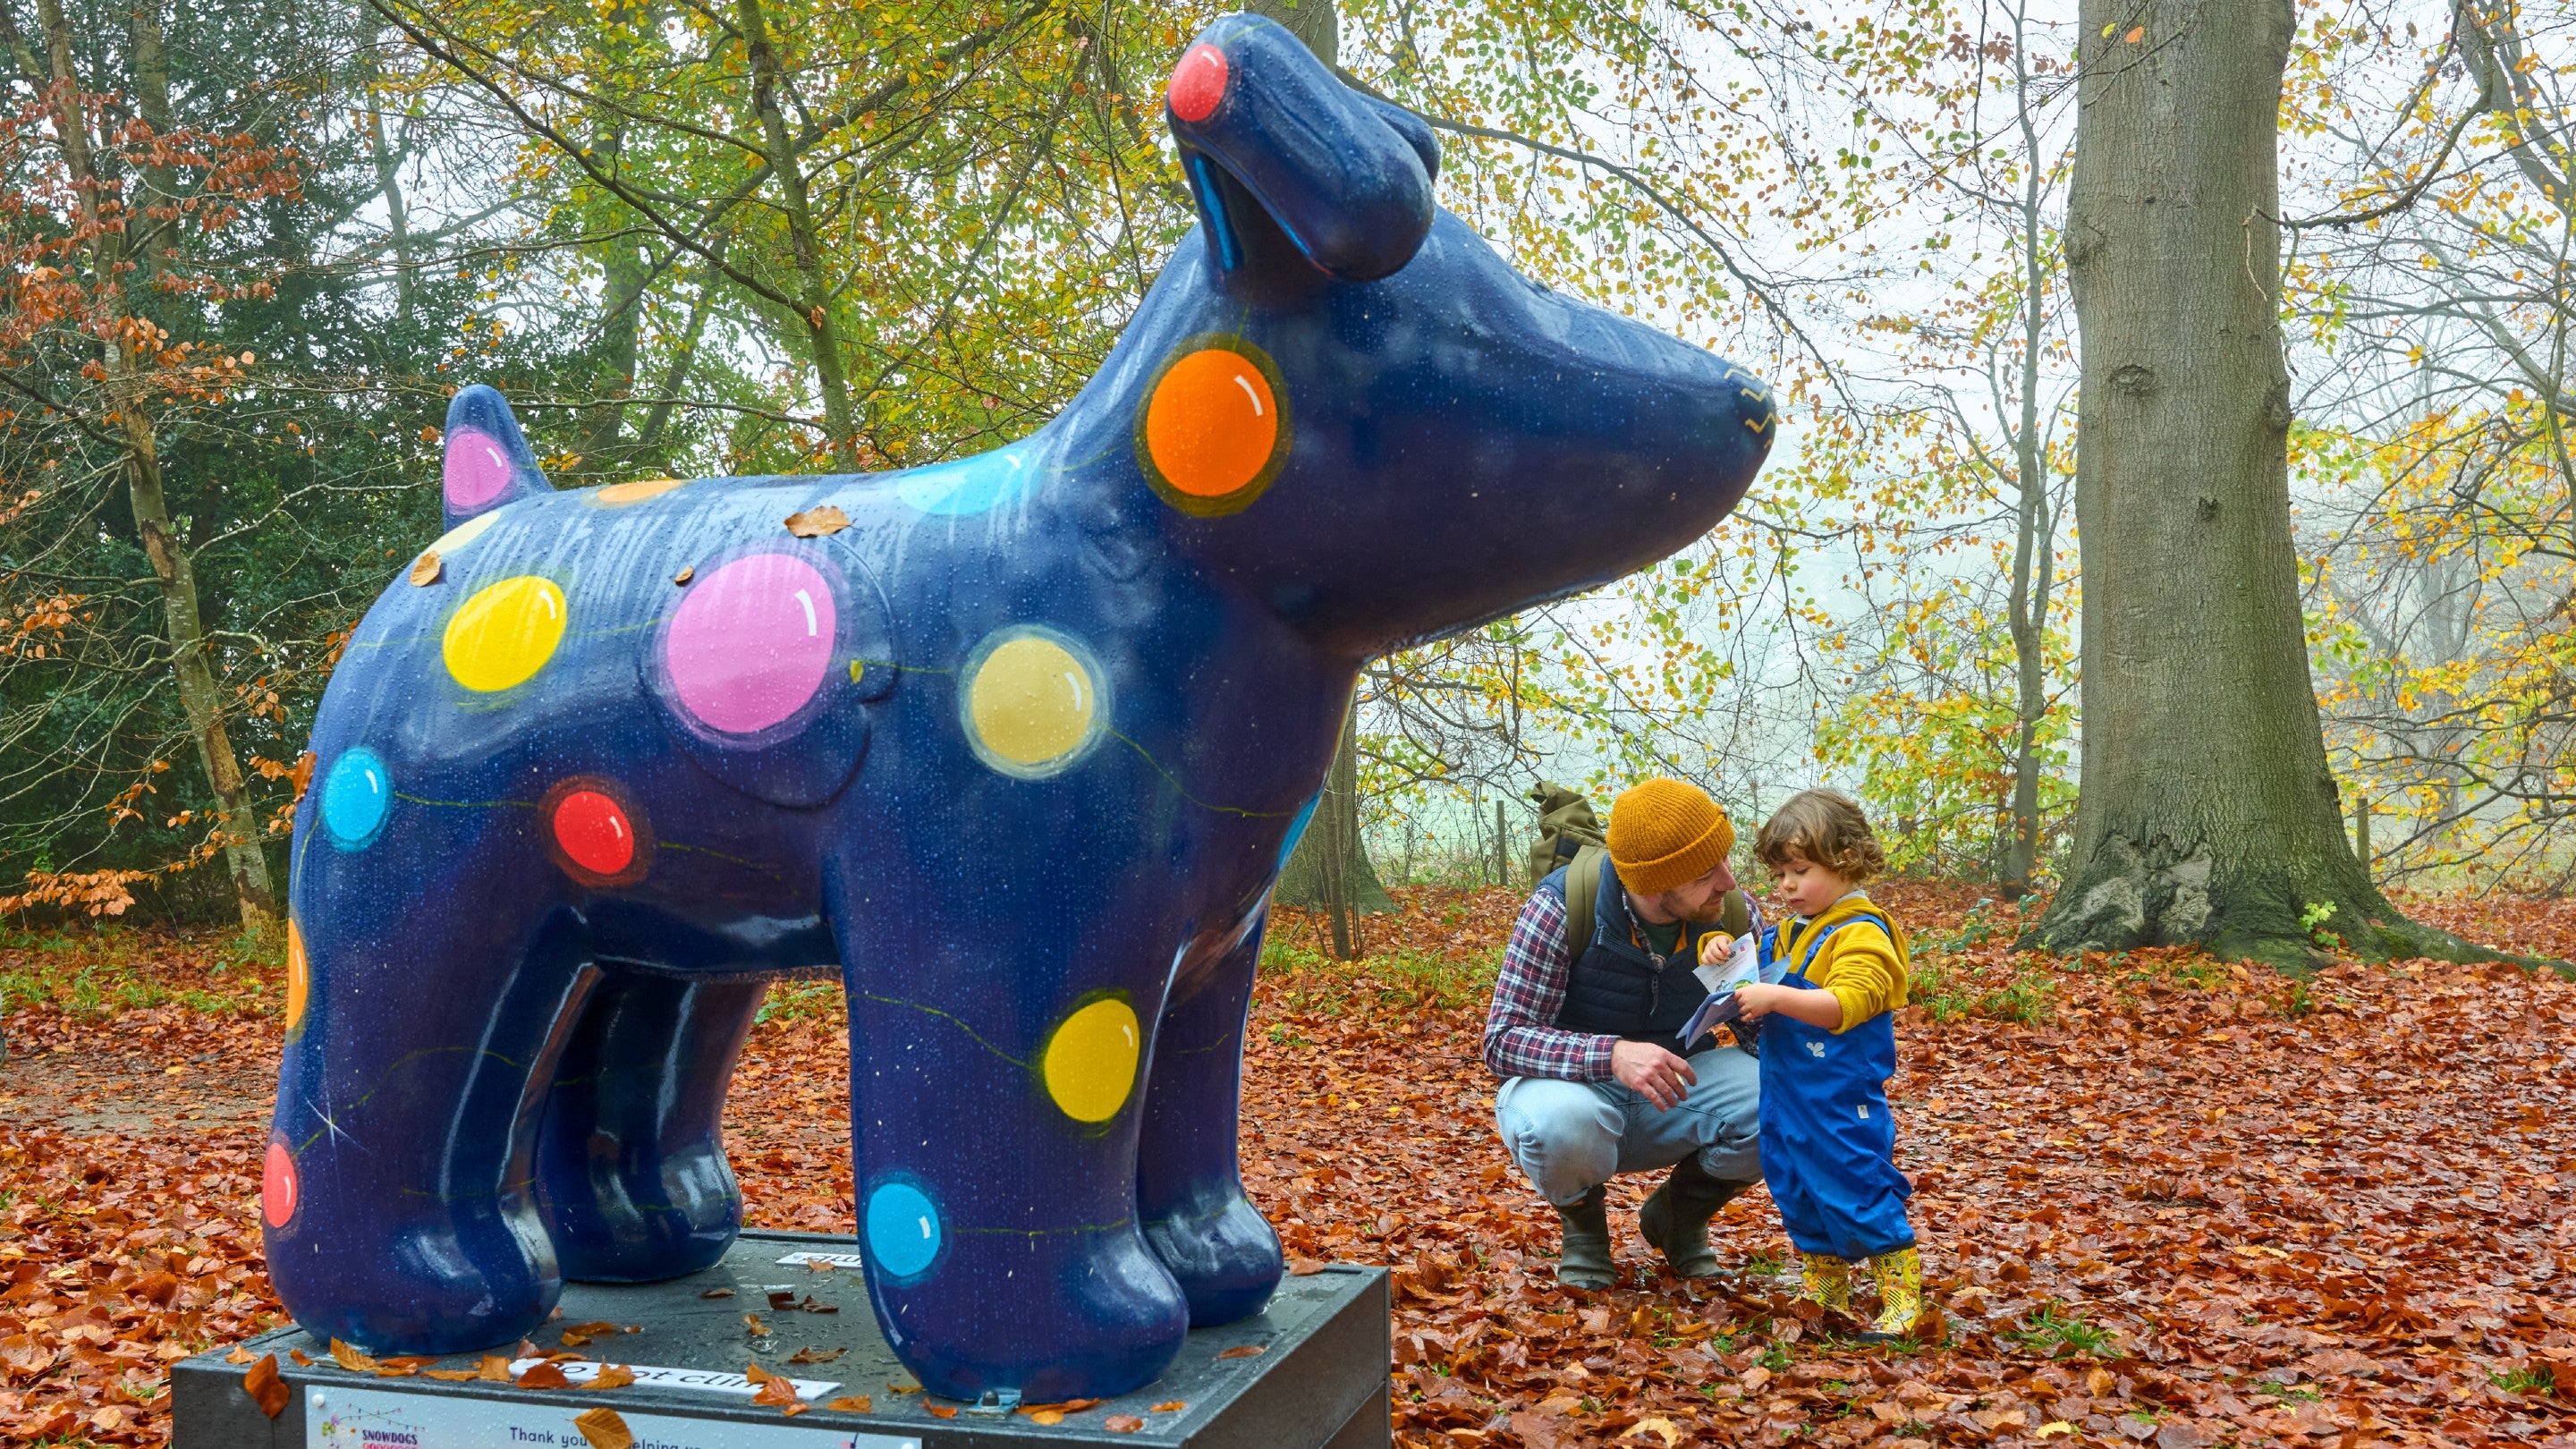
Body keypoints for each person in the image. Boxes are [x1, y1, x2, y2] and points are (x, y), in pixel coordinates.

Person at [1484, 778, 1766, 1289]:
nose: (1728, 881)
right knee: (1559, 1124)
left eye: (1725, 860)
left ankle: (1679, 1217)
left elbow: (1758, 1036)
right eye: (1706, 873)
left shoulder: (1733, 913)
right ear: (1656, 884)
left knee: (1785, 1100)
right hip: (1576, 1091)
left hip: (1679, 1085)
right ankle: (1585, 1234)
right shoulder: (1561, 907)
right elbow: (1503, 1039)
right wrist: (1612, 1054)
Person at [1733, 789, 1921, 1337]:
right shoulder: (1787, 931)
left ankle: (1901, 1292)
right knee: (1794, 1180)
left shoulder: (1862, 931)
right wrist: (1720, 953)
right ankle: (1825, 1283)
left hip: (1841, 1096)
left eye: (1800, 871)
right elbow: (1750, 972)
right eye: (1779, 874)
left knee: (1853, 1178)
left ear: (1846, 861)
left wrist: (1776, 998)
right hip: (1785, 1090)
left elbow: (1846, 1003)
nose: (1786, 886)